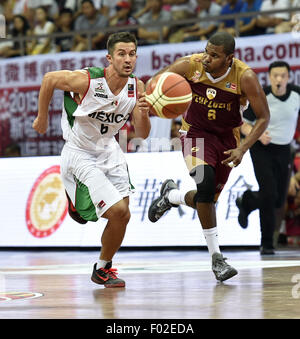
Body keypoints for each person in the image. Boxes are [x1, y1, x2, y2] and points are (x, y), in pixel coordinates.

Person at [147, 32, 270, 282]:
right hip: (195, 134)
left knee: (207, 200)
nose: (207, 58)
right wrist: (157, 99)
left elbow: (264, 117)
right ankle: (217, 259)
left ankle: (172, 196)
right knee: (204, 184)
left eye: (214, 56)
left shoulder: (244, 77)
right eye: (206, 51)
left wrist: (243, 147)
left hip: (227, 140)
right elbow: (158, 81)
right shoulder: (189, 65)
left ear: (229, 59)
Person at [32, 31, 151, 288]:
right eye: (121, 54)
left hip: (110, 150)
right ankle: (77, 201)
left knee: (124, 215)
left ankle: (102, 268)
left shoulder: (137, 87)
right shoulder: (87, 80)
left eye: (132, 54)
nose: (128, 59)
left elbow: (142, 134)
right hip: (79, 152)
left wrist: (143, 113)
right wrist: (42, 116)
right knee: (117, 210)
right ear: (110, 58)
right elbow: (49, 78)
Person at [236, 61, 300, 255]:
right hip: (261, 148)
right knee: (269, 192)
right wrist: (258, 133)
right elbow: (242, 124)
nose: (279, 79)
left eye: (282, 75)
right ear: (269, 77)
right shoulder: (261, 96)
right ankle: (267, 243)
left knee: (279, 200)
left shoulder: (297, 94)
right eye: (275, 76)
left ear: (288, 77)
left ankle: (248, 201)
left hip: (284, 150)